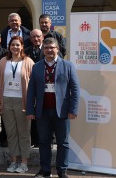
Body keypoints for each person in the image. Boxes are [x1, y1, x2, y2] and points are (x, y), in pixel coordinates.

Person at [26, 38, 80, 178]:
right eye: (47, 48)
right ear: (43, 50)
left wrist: (73, 110)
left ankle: (62, 170)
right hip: (42, 111)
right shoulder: (37, 66)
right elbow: (31, 90)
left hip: (61, 111)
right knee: (43, 142)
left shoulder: (68, 66)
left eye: (52, 47)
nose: (49, 50)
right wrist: (30, 110)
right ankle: (45, 170)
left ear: (57, 49)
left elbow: (75, 89)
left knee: (63, 142)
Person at [0, 36, 34, 174]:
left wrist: (32, 103)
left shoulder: (28, 62)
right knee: (11, 133)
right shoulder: (3, 61)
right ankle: (13, 161)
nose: (15, 47)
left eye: (18, 45)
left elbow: (34, 83)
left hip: (22, 101)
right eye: (12, 45)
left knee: (23, 133)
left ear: (22, 46)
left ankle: (23, 162)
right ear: (9, 47)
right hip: (6, 100)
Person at [23, 29, 45, 147]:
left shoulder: (48, 50)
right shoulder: (26, 52)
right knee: (32, 114)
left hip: (45, 87)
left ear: (42, 37)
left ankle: (47, 139)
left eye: (38, 37)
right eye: (33, 37)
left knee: (44, 114)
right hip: (30, 86)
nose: (36, 39)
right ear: (30, 39)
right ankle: (34, 139)